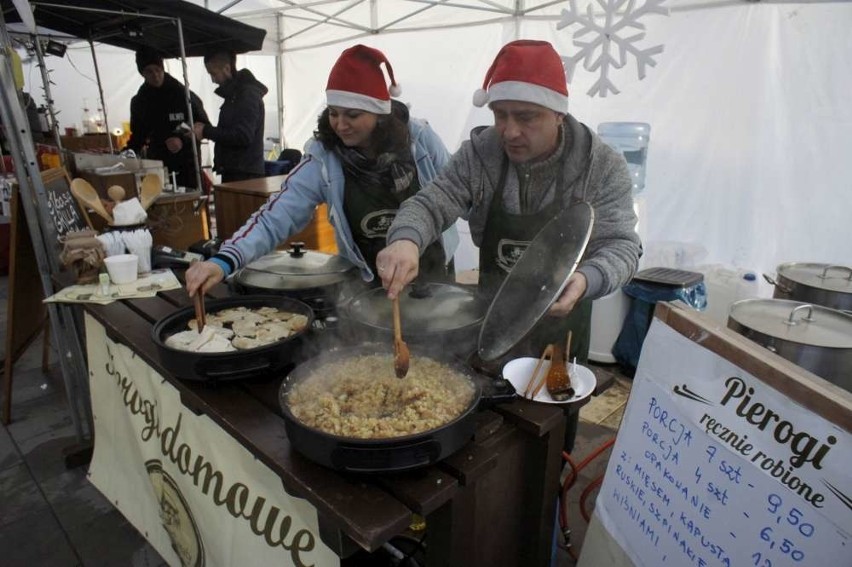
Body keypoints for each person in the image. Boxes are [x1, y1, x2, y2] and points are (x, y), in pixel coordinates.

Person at [376, 40, 641, 448]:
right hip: (491, 331)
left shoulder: (601, 166)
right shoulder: (480, 155)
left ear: (558, 112)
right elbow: (432, 202)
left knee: (551, 444)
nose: (509, 131)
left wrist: (587, 279)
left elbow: (623, 246)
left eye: (527, 117)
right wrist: (406, 240)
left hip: (561, 337)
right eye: (500, 115)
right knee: (487, 445)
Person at [186, 44, 457, 296]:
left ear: (379, 114)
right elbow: (276, 216)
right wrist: (224, 260)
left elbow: (456, 193)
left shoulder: (419, 140)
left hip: (432, 274)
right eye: (333, 112)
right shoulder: (325, 156)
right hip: (367, 282)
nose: (340, 125)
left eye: (352, 115)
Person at [126, 48, 209, 189]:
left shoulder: (183, 94)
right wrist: (128, 152)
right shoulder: (140, 101)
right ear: (142, 74)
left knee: (190, 202)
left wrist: (181, 138)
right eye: (149, 72)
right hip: (158, 164)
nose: (155, 75)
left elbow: (202, 124)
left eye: (158, 70)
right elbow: (138, 134)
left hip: (188, 163)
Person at [193, 51, 267, 183]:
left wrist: (206, 131)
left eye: (214, 73)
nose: (213, 80)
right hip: (236, 171)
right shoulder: (235, 96)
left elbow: (243, 136)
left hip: (245, 176)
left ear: (227, 68)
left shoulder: (247, 95)